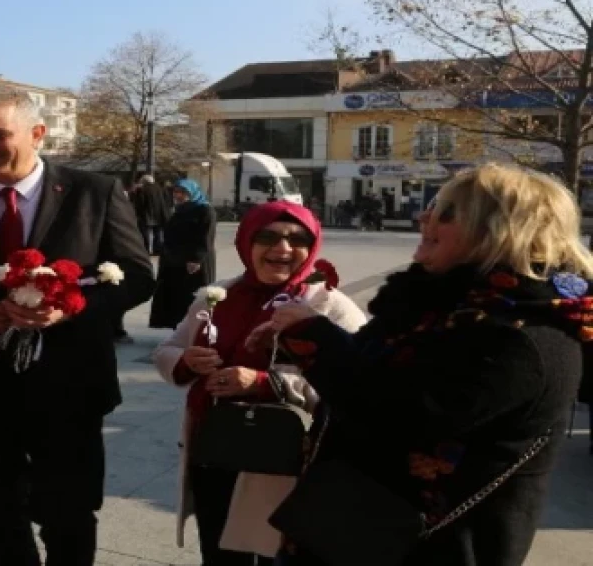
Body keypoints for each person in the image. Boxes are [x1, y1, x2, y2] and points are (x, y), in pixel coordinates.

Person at [259, 163, 590, 566]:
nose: (423, 218)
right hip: (346, 530)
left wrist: (313, 336)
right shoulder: (439, 304)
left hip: (425, 549)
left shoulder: (522, 336)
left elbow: (398, 413)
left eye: (445, 212)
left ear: (497, 231)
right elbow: (371, 367)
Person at [0, 85, 155, 565]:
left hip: (69, 386)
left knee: (68, 516)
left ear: (37, 133)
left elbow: (138, 277)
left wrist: (72, 307)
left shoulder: (94, 192)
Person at [151, 202, 367, 565]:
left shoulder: (328, 305)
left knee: (271, 553)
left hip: (282, 461)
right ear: (246, 242)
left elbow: (360, 383)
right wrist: (186, 361)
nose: (282, 248)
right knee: (219, 553)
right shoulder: (217, 295)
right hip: (215, 451)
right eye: (267, 237)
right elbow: (167, 349)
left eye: (298, 239)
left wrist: (265, 382)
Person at [150, 178, 217, 329]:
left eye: (183, 192)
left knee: (192, 295)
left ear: (193, 192)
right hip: (175, 261)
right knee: (176, 295)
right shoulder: (180, 210)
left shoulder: (205, 210)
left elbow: (206, 236)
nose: (179, 195)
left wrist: (196, 259)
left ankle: (194, 329)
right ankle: (177, 327)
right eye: (176, 192)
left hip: (194, 261)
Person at [133, 174, 172, 256]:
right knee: (158, 232)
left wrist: (138, 214)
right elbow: (167, 201)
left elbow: (140, 203)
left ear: (144, 182)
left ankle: (148, 250)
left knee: (147, 233)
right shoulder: (161, 189)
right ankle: (158, 249)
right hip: (160, 214)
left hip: (147, 214)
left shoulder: (142, 190)